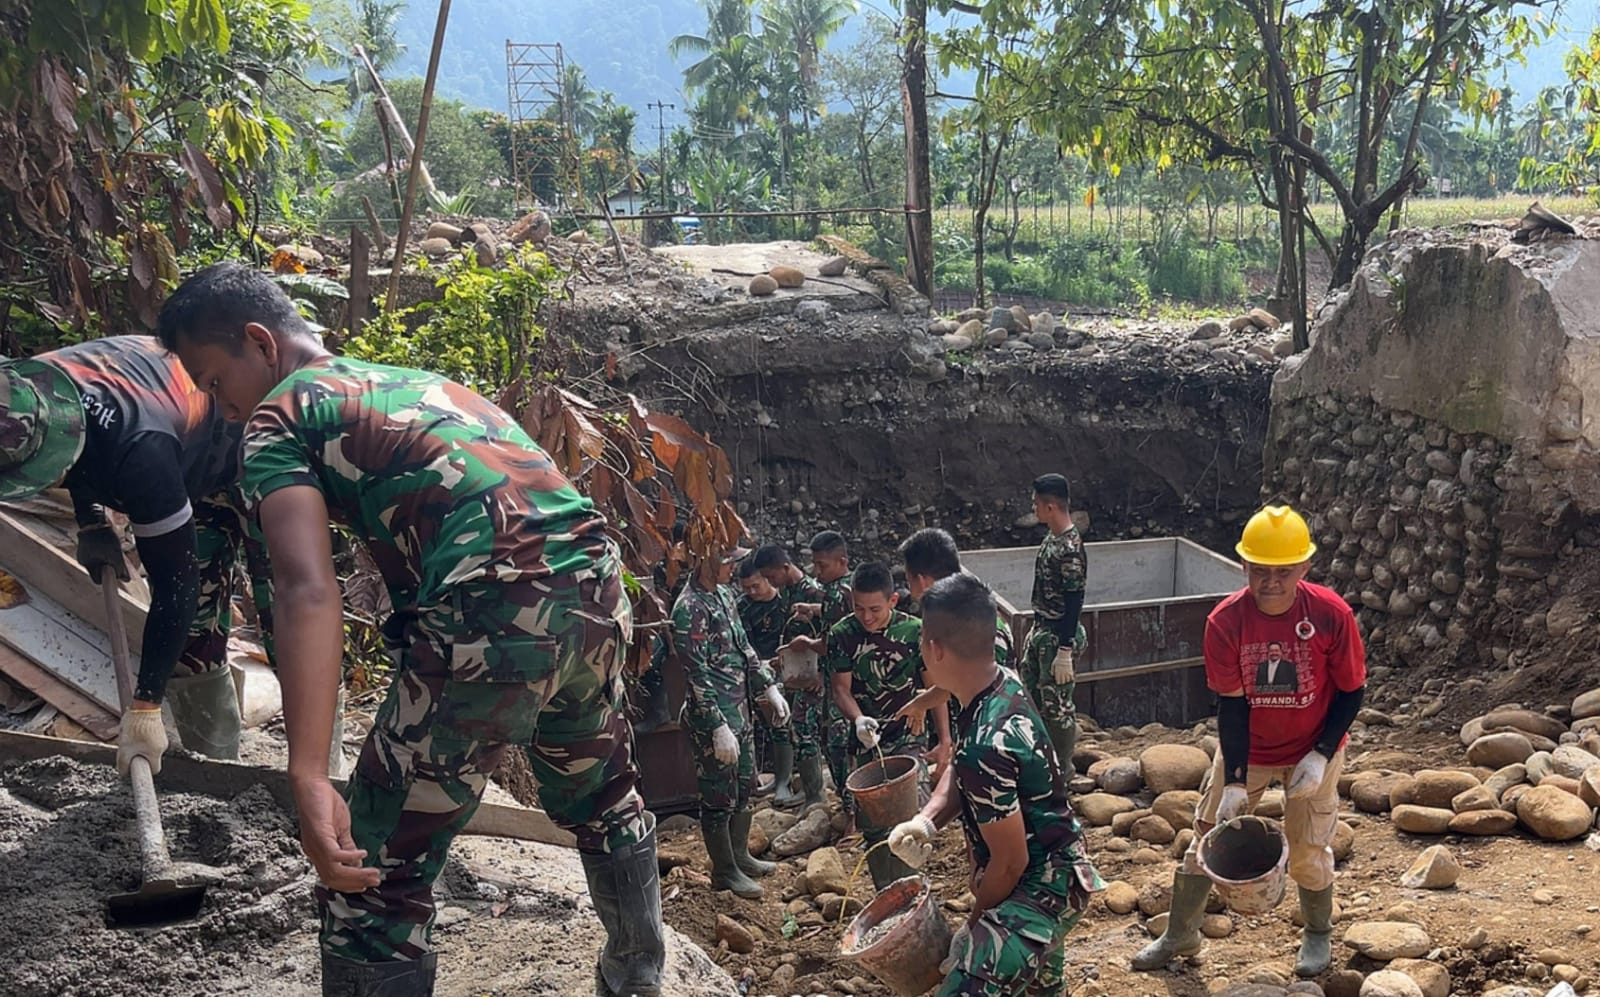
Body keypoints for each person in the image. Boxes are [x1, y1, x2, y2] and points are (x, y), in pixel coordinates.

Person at [158, 262, 664, 997]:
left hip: (495, 607)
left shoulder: (279, 415)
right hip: (598, 590)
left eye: (211, 380)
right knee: (607, 801)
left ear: (261, 344)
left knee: (368, 877)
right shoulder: (421, 385)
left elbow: (307, 588)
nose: (222, 408)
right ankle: (638, 983)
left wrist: (306, 773)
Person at [0, 336, 268, 773]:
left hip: (246, 451)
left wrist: (143, 709)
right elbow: (80, 452)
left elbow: (175, 584)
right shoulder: (27, 388)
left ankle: (308, 775)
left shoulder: (141, 451)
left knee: (284, 614)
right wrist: (90, 520)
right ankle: (214, 769)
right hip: (170, 433)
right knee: (197, 638)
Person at [1133, 504, 1366, 978]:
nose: (1272, 583)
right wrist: (1235, 780)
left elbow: (1351, 690)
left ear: (1304, 567)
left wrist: (1321, 754)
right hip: (1251, 747)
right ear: (1244, 567)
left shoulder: (1329, 614)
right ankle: (1181, 933)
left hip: (1313, 746)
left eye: (1284, 571)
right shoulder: (1226, 622)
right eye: (1261, 571)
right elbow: (1233, 706)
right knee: (1208, 835)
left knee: (1308, 846)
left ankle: (1317, 933)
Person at [885, 573, 1102, 996]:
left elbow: (1009, 862)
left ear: (934, 649)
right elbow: (962, 766)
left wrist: (974, 927)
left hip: (1041, 889)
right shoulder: (1000, 682)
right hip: (1062, 870)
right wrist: (927, 820)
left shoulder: (987, 742)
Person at [818, 560, 951, 890]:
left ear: (893, 601)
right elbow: (840, 689)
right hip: (867, 739)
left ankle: (915, 888)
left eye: (874, 609)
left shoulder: (914, 631)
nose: (866, 617)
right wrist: (858, 719)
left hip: (909, 733)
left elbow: (937, 687)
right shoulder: (842, 635)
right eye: (858, 608)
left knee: (911, 815)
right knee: (875, 824)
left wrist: (945, 739)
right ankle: (886, 892)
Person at [674, 544, 791, 898]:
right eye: (727, 562)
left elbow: (744, 648)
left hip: (740, 712)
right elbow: (696, 676)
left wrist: (768, 686)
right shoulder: (689, 609)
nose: (734, 568)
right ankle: (724, 872)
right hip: (715, 720)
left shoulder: (723, 595)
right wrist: (715, 726)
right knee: (718, 796)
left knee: (744, 787)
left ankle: (740, 858)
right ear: (705, 560)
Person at [750, 543, 826, 808]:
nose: (771, 583)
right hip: (796, 674)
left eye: (772, 577)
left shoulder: (813, 592)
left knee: (806, 732)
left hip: (815, 677)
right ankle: (805, 789)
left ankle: (815, 795)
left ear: (785, 567)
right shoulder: (786, 594)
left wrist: (822, 675)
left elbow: (833, 636)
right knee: (794, 729)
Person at [1023, 473, 1087, 768]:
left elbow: (1075, 600)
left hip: (1058, 633)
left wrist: (1065, 650)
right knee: (1033, 696)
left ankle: (1061, 769)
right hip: (1042, 628)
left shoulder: (1070, 549)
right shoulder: (1053, 537)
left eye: (1036, 503)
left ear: (1050, 507)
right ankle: (1041, 761)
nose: (1032, 507)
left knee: (1057, 707)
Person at [899, 527, 1015, 668]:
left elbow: (973, 681)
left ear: (922, 581)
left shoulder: (968, 626)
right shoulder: (973, 607)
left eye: (909, 581)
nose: (909, 590)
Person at [807, 530, 855, 810]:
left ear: (841, 561)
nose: (817, 571)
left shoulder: (837, 593)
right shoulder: (853, 587)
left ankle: (851, 808)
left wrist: (807, 644)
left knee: (837, 745)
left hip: (840, 681)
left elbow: (831, 644)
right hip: (855, 680)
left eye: (822, 565)